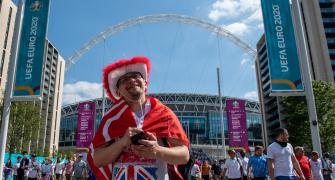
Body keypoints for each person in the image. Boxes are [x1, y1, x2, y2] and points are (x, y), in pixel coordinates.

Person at [87, 56, 190, 179]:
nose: (131, 80)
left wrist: (157, 151)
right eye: (124, 79)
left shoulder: (164, 114)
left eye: (136, 75)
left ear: (145, 83)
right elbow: (97, 160)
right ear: (118, 91)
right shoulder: (110, 120)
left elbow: (184, 155)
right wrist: (121, 143)